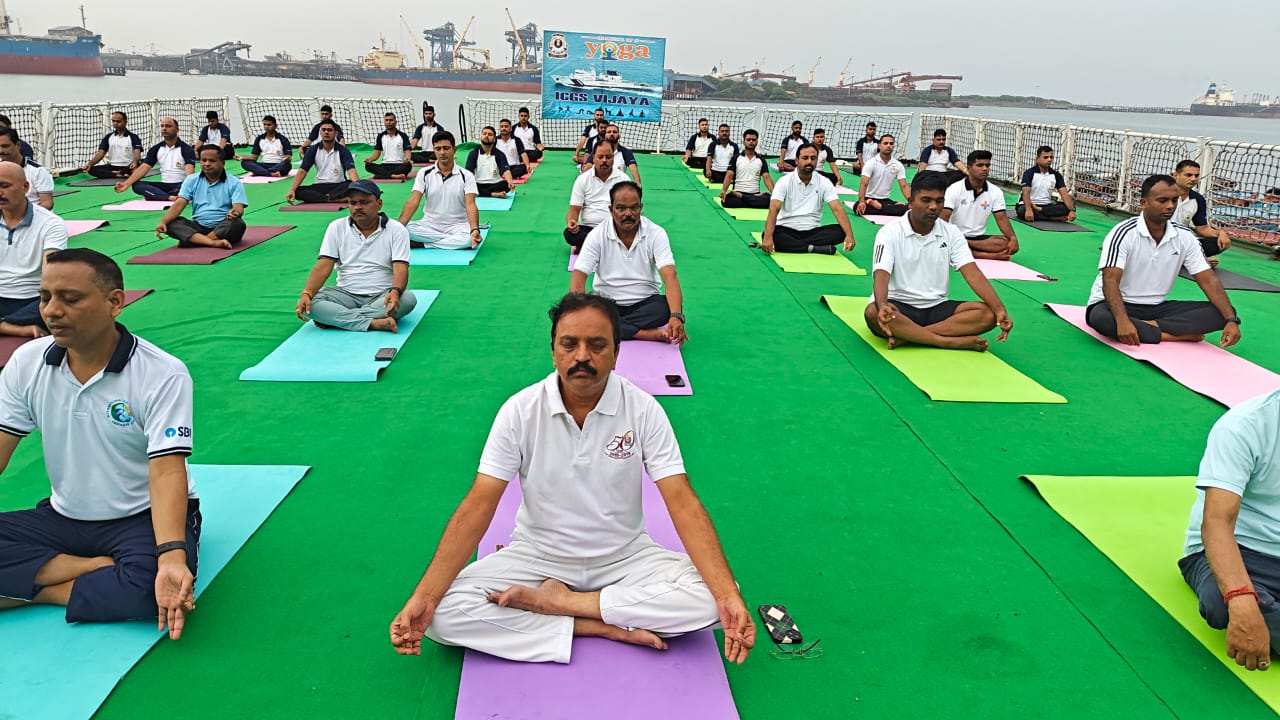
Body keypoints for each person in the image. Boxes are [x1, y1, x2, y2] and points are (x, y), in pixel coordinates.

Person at [388, 291, 754, 666]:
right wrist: (426, 596)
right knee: (442, 614)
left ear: (616, 353)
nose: (582, 356)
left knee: (717, 597)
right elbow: (480, 502)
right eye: (570, 344)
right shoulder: (520, 410)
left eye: (597, 345)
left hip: (625, 556)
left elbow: (681, 500)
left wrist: (726, 595)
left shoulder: (644, 409)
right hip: (538, 557)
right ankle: (597, 625)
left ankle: (564, 606)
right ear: (553, 351)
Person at [0, 248, 199, 639]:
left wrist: (173, 555)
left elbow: (165, 469)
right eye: (44, 298)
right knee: (136, 585)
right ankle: (89, 568)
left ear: (114, 303)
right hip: (64, 517)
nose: (52, 311)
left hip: (142, 516)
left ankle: (35, 590)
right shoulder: (27, 362)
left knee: (157, 589)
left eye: (70, 299)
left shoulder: (162, 373)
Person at [1180, 389, 1280, 673]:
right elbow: (1216, 523)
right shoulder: (1244, 426)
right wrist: (1240, 598)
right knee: (1222, 603)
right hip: (1238, 549)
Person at [863, 172, 1013, 352]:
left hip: (937, 307)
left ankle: (912, 337)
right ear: (911, 202)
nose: (933, 206)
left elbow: (972, 273)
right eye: (926, 200)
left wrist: (1000, 309)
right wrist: (882, 305)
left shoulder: (952, 232)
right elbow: (881, 275)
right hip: (899, 306)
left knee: (988, 315)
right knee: (873, 312)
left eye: (939, 201)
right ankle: (946, 341)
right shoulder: (889, 233)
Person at [1085, 174, 1240, 346]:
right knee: (1101, 319)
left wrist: (1231, 320)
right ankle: (1171, 335)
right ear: (1144, 203)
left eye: (1174, 200)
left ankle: (1148, 328)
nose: (1170, 206)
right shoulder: (1123, 233)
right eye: (1162, 200)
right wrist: (1122, 321)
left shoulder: (1185, 236)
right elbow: (1110, 280)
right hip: (1114, 303)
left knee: (1222, 313)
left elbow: (1209, 280)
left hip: (1156, 308)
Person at [570, 182, 686, 344]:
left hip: (645, 302)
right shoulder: (597, 235)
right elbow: (579, 276)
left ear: (641, 207)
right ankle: (642, 333)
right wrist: (579, 313)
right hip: (608, 302)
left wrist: (675, 316)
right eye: (621, 208)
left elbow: (670, 275)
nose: (628, 213)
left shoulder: (656, 233)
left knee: (666, 308)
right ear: (611, 210)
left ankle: (609, 327)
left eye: (634, 208)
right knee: (588, 310)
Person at [296, 180, 417, 333]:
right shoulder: (336, 227)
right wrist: (307, 293)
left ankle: (340, 320)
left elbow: (401, 269)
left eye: (364, 202)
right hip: (345, 294)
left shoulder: (396, 230)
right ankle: (373, 323)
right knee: (310, 304)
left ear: (379, 204)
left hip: (383, 295)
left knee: (408, 299)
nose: (357, 207)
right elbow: (323, 267)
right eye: (352, 203)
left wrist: (395, 292)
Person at [0, 161, 66, 338]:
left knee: (66, 302)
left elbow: (51, 273)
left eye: (5, 186)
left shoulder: (50, 224)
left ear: (25, 187)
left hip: (32, 300)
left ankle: (6, 323)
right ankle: (10, 326)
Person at [761, 143, 856, 255]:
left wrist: (850, 236)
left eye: (813, 158)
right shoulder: (784, 181)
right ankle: (813, 248)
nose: (809, 162)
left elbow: (837, 209)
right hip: (787, 229)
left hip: (813, 232)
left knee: (841, 232)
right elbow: (774, 210)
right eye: (805, 158)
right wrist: (767, 237)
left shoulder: (824, 182)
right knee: (768, 234)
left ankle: (798, 246)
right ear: (797, 160)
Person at [398, 131, 482, 250]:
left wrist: (474, 229)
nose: (442, 152)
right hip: (430, 224)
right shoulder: (424, 173)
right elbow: (413, 201)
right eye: (438, 149)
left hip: (458, 225)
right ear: (434, 150)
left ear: (454, 149)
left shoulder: (466, 175)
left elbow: (471, 204)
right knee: (404, 229)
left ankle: (423, 244)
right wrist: (400, 225)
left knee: (469, 239)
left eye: (446, 148)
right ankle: (448, 241)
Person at [153, 145, 247, 250]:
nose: (207, 164)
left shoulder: (234, 182)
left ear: (223, 163)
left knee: (237, 224)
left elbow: (238, 208)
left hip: (222, 225)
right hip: (198, 226)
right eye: (204, 160)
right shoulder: (191, 180)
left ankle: (196, 240)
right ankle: (212, 242)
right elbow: (180, 203)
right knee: (171, 223)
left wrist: (235, 213)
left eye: (212, 161)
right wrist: (163, 222)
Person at [940, 150, 1020, 260]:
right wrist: (948, 238)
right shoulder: (954, 189)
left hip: (978, 239)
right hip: (955, 235)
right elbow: (943, 218)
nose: (985, 169)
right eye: (980, 165)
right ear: (969, 168)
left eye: (987, 165)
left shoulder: (995, 191)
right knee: (942, 242)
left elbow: (1002, 219)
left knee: (1006, 243)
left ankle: (965, 246)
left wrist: (1013, 237)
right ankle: (986, 255)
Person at [565, 141, 629, 252]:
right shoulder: (583, 179)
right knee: (569, 234)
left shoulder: (623, 179)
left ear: (613, 158)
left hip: (615, 229)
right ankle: (605, 246)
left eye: (608, 157)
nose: (604, 160)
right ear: (594, 158)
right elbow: (574, 209)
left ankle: (590, 246)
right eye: (600, 157)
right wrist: (572, 222)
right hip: (589, 229)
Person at [114, 117, 196, 202]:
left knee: (189, 185)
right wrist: (126, 184)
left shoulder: (186, 149)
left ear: (177, 129)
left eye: (168, 126)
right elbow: (143, 168)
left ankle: (157, 195)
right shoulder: (156, 149)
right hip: (164, 186)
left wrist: (189, 187)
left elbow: (190, 172)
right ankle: (168, 197)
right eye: (162, 126)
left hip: (180, 185)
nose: (164, 128)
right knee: (136, 185)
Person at [285, 120, 359, 205]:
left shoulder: (343, 151)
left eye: (329, 130)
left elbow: (351, 170)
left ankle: (322, 198)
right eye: (323, 130)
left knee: (351, 184)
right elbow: (302, 170)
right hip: (319, 185)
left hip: (339, 185)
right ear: (320, 132)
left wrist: (358, 187)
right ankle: (331, 199)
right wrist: (292, 190)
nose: (326, 132)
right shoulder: (312, 150)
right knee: (297, 191)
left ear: (335, 133)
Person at [1173, 160, 1231, 265]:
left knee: (1217, 243)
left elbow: (1202, 229)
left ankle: (1185, 258)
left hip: (1181, 241)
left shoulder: (1198, 199)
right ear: (1176, 175)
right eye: (1188, 175)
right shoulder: (1163, 194)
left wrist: (1220, 233)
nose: (1193, 179)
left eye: (1196, 175)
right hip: (1160, 238)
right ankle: (1192, 260)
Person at [1016, 146, 1077, 222]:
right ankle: (1052, 218)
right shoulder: (1029, 173)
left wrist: (1072, 210)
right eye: (1045, 157)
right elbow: (1026, 193)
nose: (1049, 159)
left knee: (1067, 208)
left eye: (1051, 157)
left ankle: (1041, 211)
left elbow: (1064, 194)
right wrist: (1028, 209)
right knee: (1022, 211)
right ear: (1037, 159)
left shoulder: (1056, 175)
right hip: (1029, 205)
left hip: (1047, 206)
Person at [855, 135, 910, 217]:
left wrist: (911, 202)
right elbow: (864, 183)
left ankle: (881, 207)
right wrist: (862, 201)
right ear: (879, 146)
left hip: (885, 201)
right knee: (857, 207)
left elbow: (904, 186)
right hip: (869, 198)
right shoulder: (871, 163)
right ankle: (888, 208)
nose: (888, 145)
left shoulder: (898, 165)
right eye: (885, 143)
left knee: (909, 209)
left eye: (891, 144)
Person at [0, 129, 53, 210]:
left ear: (18, 145)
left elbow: (47, 202)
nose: (1, 150)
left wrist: (25, 215)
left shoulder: (38, 171)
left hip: (35, 218)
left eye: (5, 146)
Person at [720, 129, 774, 209]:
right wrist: (724, 191)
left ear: (757, 142)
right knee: (726, 201)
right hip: (738, 193)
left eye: (753, 140)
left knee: (770, 201)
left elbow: (766, 177)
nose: (751, 142)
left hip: (755, 194)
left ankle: (743, 198)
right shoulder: (736, 158)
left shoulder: (761, 160)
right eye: (748, 140)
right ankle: (750, 201)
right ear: (744, 142)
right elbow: (729, 175)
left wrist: (775, 194)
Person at [81, 111, 143, 179]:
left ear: (125, 122)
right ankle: (119, 174)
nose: (115, 123)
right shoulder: (108, 137)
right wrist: (89, 164)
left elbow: (137, 152)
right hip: (113, 166)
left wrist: (135, 162)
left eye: (118, 121)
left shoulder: (133, 137)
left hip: (128, 166)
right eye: (113, 121)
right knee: (92, 170)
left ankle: (117, 173)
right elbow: (101, 153)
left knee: (137, 168)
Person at [465, 126, 514, 198]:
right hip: (479, 183)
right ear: (481, 136)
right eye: (484, 134)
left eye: (490, 134)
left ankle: (483, 193)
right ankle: (493, 194)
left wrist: (510, 181)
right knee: (468, 185)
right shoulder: (474, 153)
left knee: (506, 185)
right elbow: (468, 172)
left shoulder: (499, 154)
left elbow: (506, 170)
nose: (486, 136)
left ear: (494, 139)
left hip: (495, 183)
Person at [364, 113, 412, 180]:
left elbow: (407, 150)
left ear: (395, 122)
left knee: (408, 166)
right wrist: (370, 159)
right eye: (386, 120)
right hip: (385, 164)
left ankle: (382, 175)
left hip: (399, 164)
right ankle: (393, 176)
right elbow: (377, 152)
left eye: (391, 120)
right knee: (368, 166)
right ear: (384, 122)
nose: (388, 122)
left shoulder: (403, 135)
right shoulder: (381, 136)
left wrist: (407, 158)